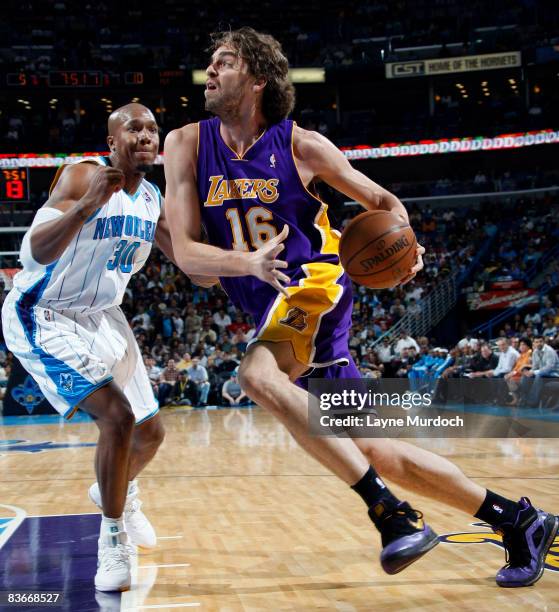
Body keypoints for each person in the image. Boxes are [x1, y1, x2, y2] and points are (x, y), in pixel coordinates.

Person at [163, 28, 557, 586]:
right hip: (270, 297)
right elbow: (187, 256)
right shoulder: (185, 143)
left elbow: (383, 202)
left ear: (256, 80)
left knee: (254, 374)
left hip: (316, 286)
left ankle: (390, 513)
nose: (211, 70)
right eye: (211, 60)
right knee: (379, 449)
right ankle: (519, 520)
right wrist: (244, 264)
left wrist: (409, 249)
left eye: (223, 62)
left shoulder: (302, 145)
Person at [1, 103, 192, 592]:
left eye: (152, 129)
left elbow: (200, 269)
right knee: (117, 418)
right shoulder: (80, 175)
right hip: (45, 312)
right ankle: (112, 540)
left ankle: (117, 491)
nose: (146, 136)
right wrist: (87, 205)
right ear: (112, 142)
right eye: (134, 128)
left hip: (103, 317)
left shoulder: (152, 199)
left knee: (150, 435)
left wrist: (253, 264)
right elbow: (35, 252)